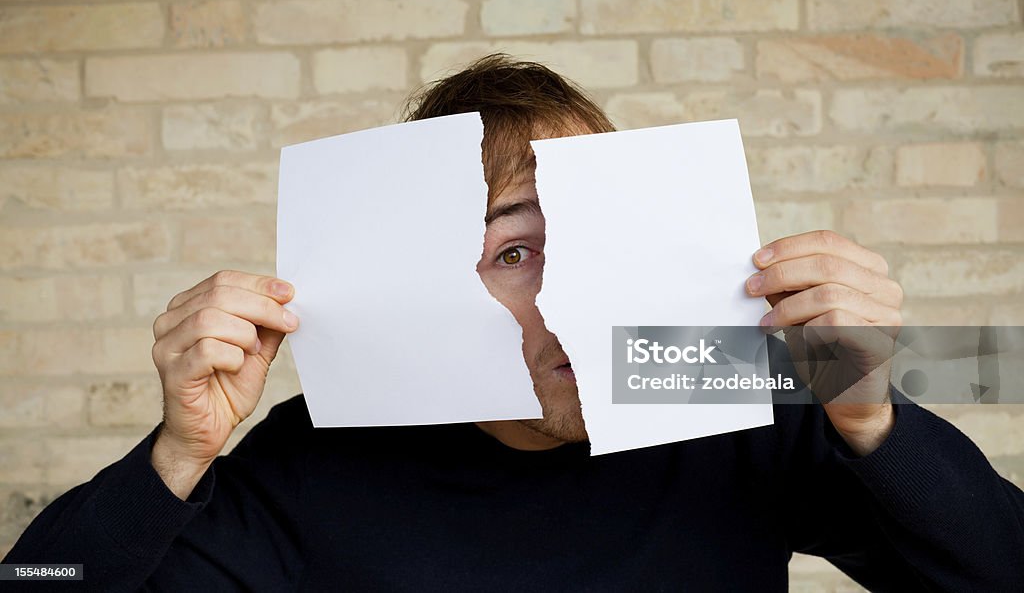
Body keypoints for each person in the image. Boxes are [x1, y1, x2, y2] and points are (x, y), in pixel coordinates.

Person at [4, 55, 1023, 591]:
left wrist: (876, 418)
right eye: (515, 251)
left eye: (599, 230)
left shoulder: (732, 398)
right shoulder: (311, 461)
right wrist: (176, 454)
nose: (570, 292)